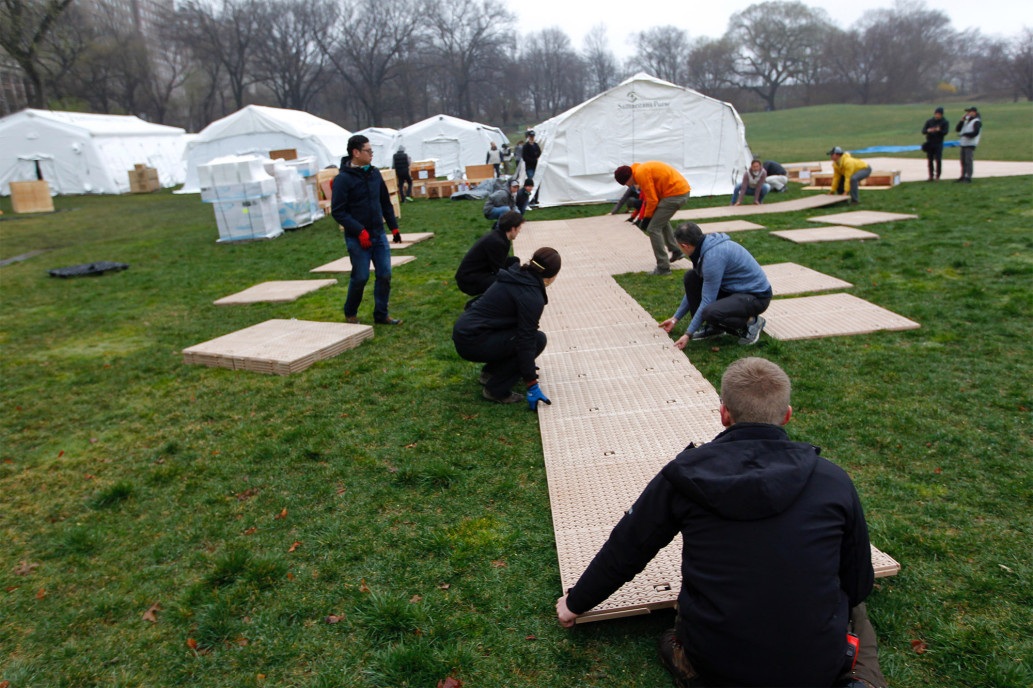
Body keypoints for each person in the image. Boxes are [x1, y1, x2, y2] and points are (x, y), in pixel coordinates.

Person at [556, 357, 887, 688]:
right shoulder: (833, 479)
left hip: (716, 668)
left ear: (724, 413)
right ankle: (859, 680)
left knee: (675, 632)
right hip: (816, 669)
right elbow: (858, 584)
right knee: (856, 610)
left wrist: (575, 603)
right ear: (786, 415)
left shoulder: (683, 475)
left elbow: (629, 546)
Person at [452, 247, 560, 408]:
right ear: (552, 276)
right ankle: (495, 390)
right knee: (537, 339)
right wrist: (531, 382)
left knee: (521, 337)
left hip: (466, 332)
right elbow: (526, 340)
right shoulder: (531, 296)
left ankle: (491, 373)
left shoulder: (516, 275)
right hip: (473, 341)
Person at [659, 222, 770, 347]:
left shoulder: (713, 257)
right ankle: (715, 327)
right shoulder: (704, 247)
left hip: (756, 297)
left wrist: (688, 334)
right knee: (691, 278)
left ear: (685, 246)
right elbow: (694, 292)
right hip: (734, 290)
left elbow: (707, 299)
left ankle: (752, 322)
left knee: (710, 312)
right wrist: (675, 318)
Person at [331, 134, 402, 325]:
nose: (372, 154)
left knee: (385, 274)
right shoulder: (343, 180)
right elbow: (338, 212)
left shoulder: (374, 173)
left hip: (378, 234)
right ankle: (350, 313)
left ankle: (381, 314)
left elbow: (385, 203)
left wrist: (393, 228)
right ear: (356, 153)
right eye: (368, 151)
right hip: (358, 238)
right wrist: (359, 230)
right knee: (361, 276)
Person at [614, 162, 691, 276]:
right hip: (678, 191)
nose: (628, 186)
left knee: (653, 229)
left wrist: (646, 219)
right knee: (660, 221)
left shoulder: (641, 174)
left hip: (675, 194)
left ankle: (663, 267)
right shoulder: (640, 170)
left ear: (628, 178)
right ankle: (675, 251)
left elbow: (652, 200)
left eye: (626, 184)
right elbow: (650, 199)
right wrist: (645, 216)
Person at [454, 210, 523, 297]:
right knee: (504, 283)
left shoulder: (501, 237)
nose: (519, 231)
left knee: (514, 261)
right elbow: (499, 271)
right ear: (513, 229)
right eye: (519, 228)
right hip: (468, 280)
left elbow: (502, 263)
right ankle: (477, 305)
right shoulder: (496, 242)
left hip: (481, 272)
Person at [921, 107, 950, 181]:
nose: (937, 115)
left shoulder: (944, 122)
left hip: (938, 143)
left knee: (938, 159)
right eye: (936, 114)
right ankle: (931, 175)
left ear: (941, 115)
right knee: (930, 159)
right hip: (930, 142)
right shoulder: (930, 121)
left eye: (939, 114)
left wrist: (939, 131)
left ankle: (938, 175)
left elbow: (945, 132)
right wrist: (929, 130)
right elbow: (923, 131)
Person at [955, 106, 982, 183]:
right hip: (963, 143)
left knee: (968, 161)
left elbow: (975, 132)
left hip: (970, 143)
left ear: (974, 112)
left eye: (970, 112)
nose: (968, 114)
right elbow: (958, 129)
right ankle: (963, 176)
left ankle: (968, 177)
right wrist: (961, 121)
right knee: (963, 161)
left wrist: (965, 134)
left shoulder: (977, 121)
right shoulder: (966, 121)